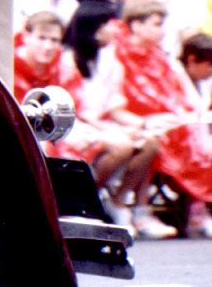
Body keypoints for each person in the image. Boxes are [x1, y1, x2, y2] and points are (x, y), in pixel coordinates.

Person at [90, 0, 212, 239]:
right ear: (135, 25)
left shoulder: (160, 57)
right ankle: (141, 210)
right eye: (156, 24)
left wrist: (190, 116)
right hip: (125, 121)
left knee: (201, 129)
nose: (162, 31)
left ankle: (197, 210)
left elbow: (175, 98)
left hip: (161, 119)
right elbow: (110, 105)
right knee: (159, 137)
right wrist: (147, 121)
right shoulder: (115, 54)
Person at [12, 12, 160, 229]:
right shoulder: (12, 65)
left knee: (129, 144)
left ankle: (81, 202)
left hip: (66, 126)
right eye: (42, 38)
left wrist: (87, 130)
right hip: (27, 131)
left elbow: (75, 108)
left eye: (54, 40)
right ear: (26, 37)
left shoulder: (64, 65)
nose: (49, 46)